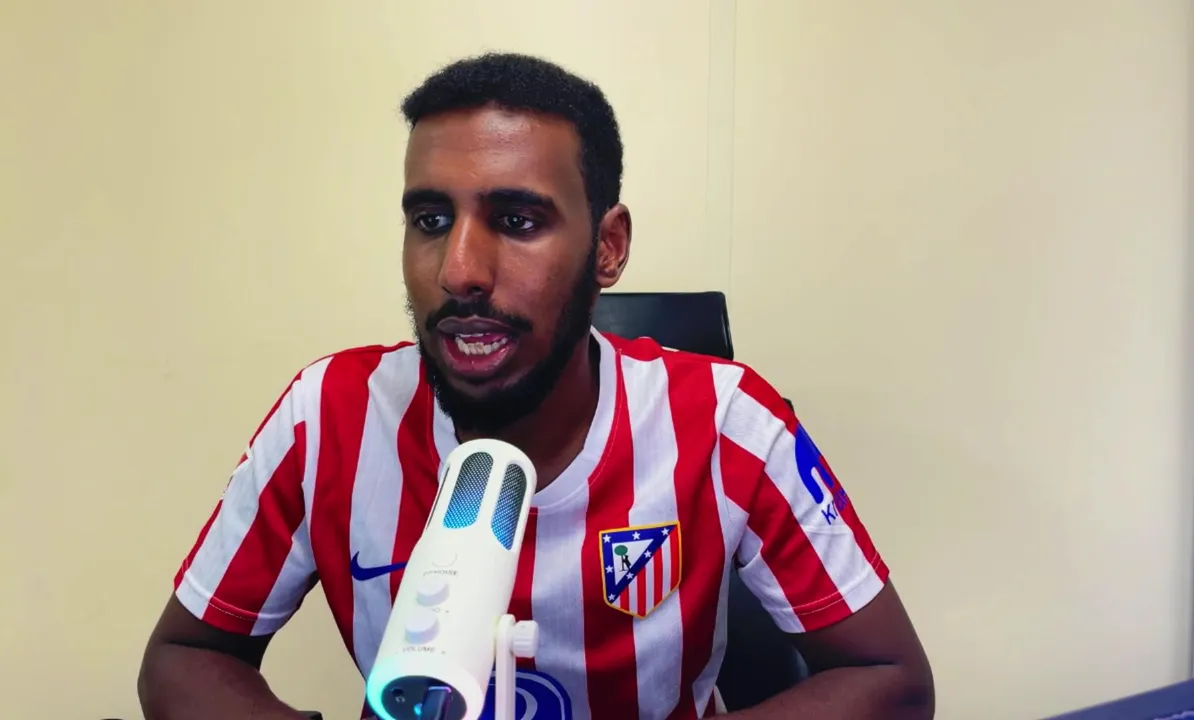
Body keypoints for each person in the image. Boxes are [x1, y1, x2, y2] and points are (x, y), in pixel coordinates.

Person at [137, 52, 934, 720]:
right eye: (430, 220)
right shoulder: (327, 416)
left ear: (607, 248)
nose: (459, 271)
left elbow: (890, 679)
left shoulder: (726, 421)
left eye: (518, 221)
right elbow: (182, 657)